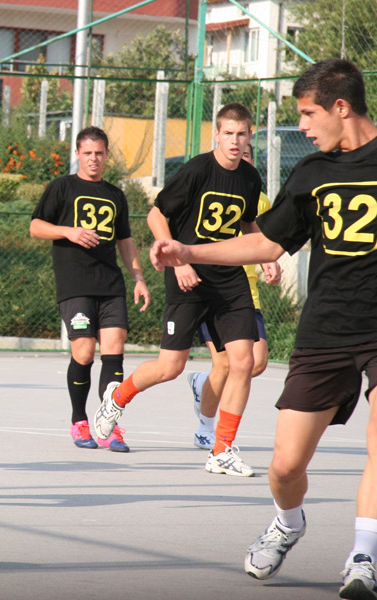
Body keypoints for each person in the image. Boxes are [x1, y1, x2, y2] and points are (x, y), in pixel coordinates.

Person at [150, 59, 377, 598]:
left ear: (341, 107)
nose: (302, 125)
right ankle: (288, 522)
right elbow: (266, 243)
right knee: (284, 465)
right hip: (326, 331)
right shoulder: (313, 173)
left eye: (308, 113)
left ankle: (364, 556)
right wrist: (188, 250)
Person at [94, 102, 279, 477]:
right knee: (170, 367)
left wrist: (265, 255)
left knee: (243, 362)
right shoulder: (197, 169)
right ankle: (117, 397)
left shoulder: (249, 178)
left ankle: (221, 450)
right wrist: (179, 262)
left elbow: (247, 224)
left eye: (241, 134)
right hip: (188, 276)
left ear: (250, 136)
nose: (235, 141)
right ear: (217, 134)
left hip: (229, 279)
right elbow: (156, 215)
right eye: (228, 134)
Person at [30, 126, 150, 452]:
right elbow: (36, 226)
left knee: (114, 352)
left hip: (110, 284)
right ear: (77, 154)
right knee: (83, 352)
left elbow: (125, 241)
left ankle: (108, 425)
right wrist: (69, 232)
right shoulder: (62, 187)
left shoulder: (115, 195)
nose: (93, 158)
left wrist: (138, 278)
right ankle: (79, 421)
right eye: (87, 153)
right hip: (75, 284)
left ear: (107, 155)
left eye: (99, 153)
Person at [187, 143, 281, 450]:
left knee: (257, 362)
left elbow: (262, 240)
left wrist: (269, 261)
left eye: (247, 156)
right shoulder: (209, 187)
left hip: (246, 289)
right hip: (213, 288)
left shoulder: (260, 200)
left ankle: (203, 384)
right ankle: (206, 428)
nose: (241, 159)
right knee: (226, 364)